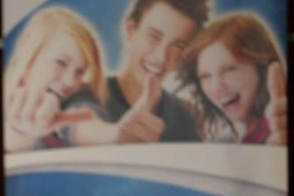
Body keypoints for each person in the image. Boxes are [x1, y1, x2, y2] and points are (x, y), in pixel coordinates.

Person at [73, 0, 210, 144]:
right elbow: (75, 126)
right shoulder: (86, 95)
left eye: (178, 45)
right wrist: (116, 134)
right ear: (131, 29)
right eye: (154, 37)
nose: (161, 57)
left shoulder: (186, 116)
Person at [3, 6, 107, 152]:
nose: (70, 81)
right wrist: (20, 135)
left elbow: (89, 125)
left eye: (80, 72)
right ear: (28, 58)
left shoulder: (78, 100)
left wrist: (117, 134)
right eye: (60, 63)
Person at [176, 12, 287, 144]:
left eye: (229, 69)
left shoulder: (277, 131)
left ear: (260, 67)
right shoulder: (238, 136)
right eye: (205, 76)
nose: (216, 88)